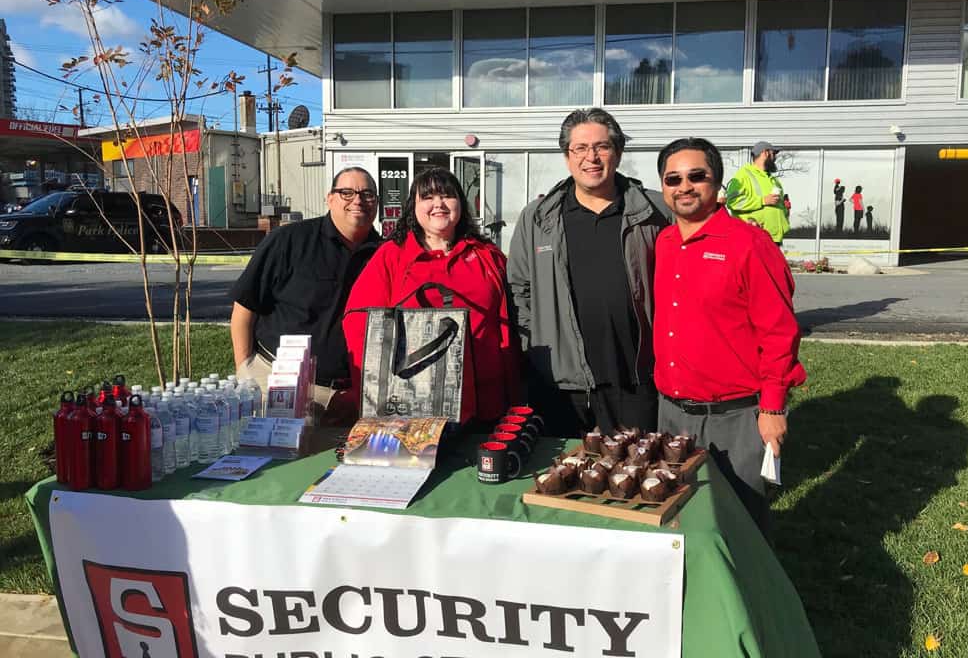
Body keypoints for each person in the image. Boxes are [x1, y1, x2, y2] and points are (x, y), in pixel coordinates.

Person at [653, 137, 806, 537]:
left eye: (696, 176)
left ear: (716, 182)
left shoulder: (750, 244)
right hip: (672, 414)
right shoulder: (664, 243)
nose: (684, 186)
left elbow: (779, 332)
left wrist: (772, 409)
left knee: (741, 524)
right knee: (681, 520)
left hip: (734, 418)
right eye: (673, 178)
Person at [507, 107, 669, 436]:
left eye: (602, 146)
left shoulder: (655, 212)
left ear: (618, 152)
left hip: (635, 378)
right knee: (559, 481)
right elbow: (518, 289)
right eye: (580, 148)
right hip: (561, 385)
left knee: (634, 479)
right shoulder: (538, 218)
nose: (591, 157)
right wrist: (536, 346)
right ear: (567, 156)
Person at [343, 167, 519, 425]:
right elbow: (360, 325)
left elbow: (510, 326)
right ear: (413, 206)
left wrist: (514, 392)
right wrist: (377, 394)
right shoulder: (391, 256)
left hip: (484, 402)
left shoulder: (487, 256)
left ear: (460, 203)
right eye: (427, 197)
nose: (438, 203)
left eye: (447, 195)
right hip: (412, 403)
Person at [229, 167, 381, 415]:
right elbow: (245, 307)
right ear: (329, 198)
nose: (358, 201)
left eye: (367, 194)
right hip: (277, 384)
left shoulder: (385, 255)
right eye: (347, 193)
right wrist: (245, 370)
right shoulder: (289, 240)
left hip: (349, 398)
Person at [726, 141, 789, 244]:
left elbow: (777, 205)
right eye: (774, 154)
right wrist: (762, 200)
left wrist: (785, 208)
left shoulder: (773, 180)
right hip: (752, 238)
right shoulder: (743, 175)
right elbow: (733, 201)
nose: (775, 158)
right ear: (765, 153)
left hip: (773, 238)